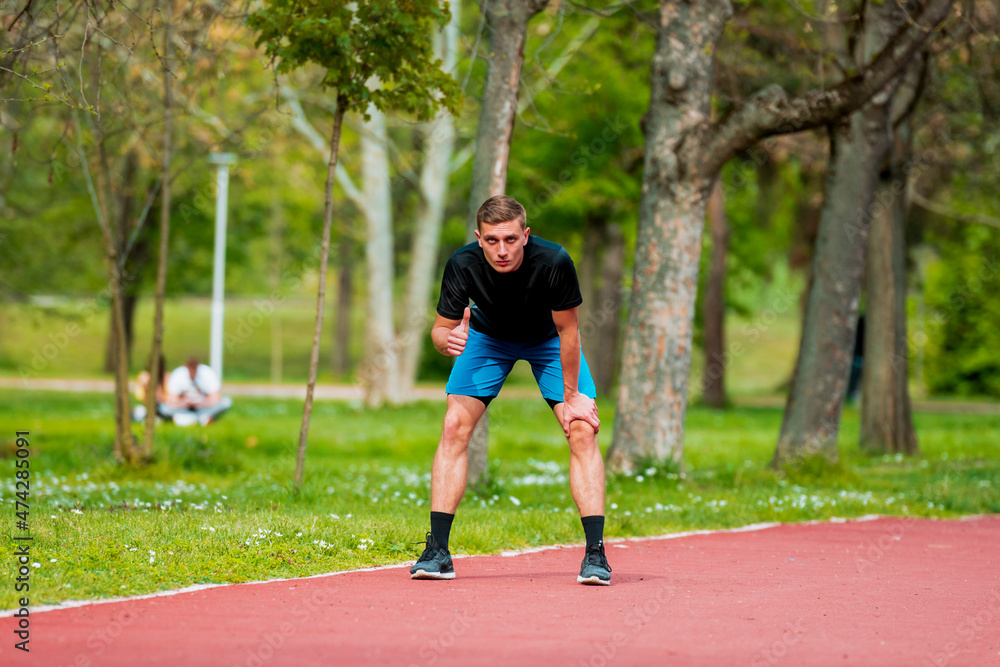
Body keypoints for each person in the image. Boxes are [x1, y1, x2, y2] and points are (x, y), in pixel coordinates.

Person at [410, 195, 611, 585]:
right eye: (491, 240)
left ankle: (595, 554)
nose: (501, 250)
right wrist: (445, 341)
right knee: (454, 425)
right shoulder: (462, 263)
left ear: (526, 235)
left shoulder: (554, 262)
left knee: (582, 429)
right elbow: (439, 329)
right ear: (478, 238)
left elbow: (569, 332)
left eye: (510, 239)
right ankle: (437, 551)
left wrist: (572, 398)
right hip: (488, 340)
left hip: (550, 341)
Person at [159, 358, 232, 426]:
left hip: (203, 409)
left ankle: (192, 419)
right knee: (163, 408)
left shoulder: (207, 373)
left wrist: (202, 402)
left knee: (226, 402)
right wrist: (184, 403)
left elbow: (216, 398)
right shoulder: (179, 374)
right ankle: (200, 419)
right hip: (183, 409)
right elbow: (172, 400)